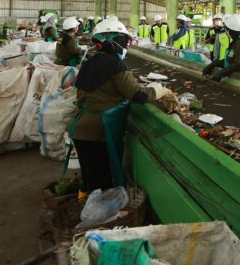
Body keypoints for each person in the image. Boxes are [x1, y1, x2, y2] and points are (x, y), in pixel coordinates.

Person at [69, 18, 171, 195]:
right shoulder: (115, 63)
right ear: (115, 41)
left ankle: (84, 205)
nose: (126, 47)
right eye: (125, 42)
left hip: (81, 128)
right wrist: (160, 91)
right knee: (102, 183)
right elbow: (137, 95)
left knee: (90, 179)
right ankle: (95, 211)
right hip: (99, 132)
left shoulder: (90, 62)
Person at [202, 15, 240, 81]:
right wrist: (213, 64)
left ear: (232, 30)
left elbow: (238, 64)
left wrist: (221, 73)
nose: (226, 31)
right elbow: (230, 60)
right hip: (234, 75)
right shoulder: (236, 40)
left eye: (227, 29)